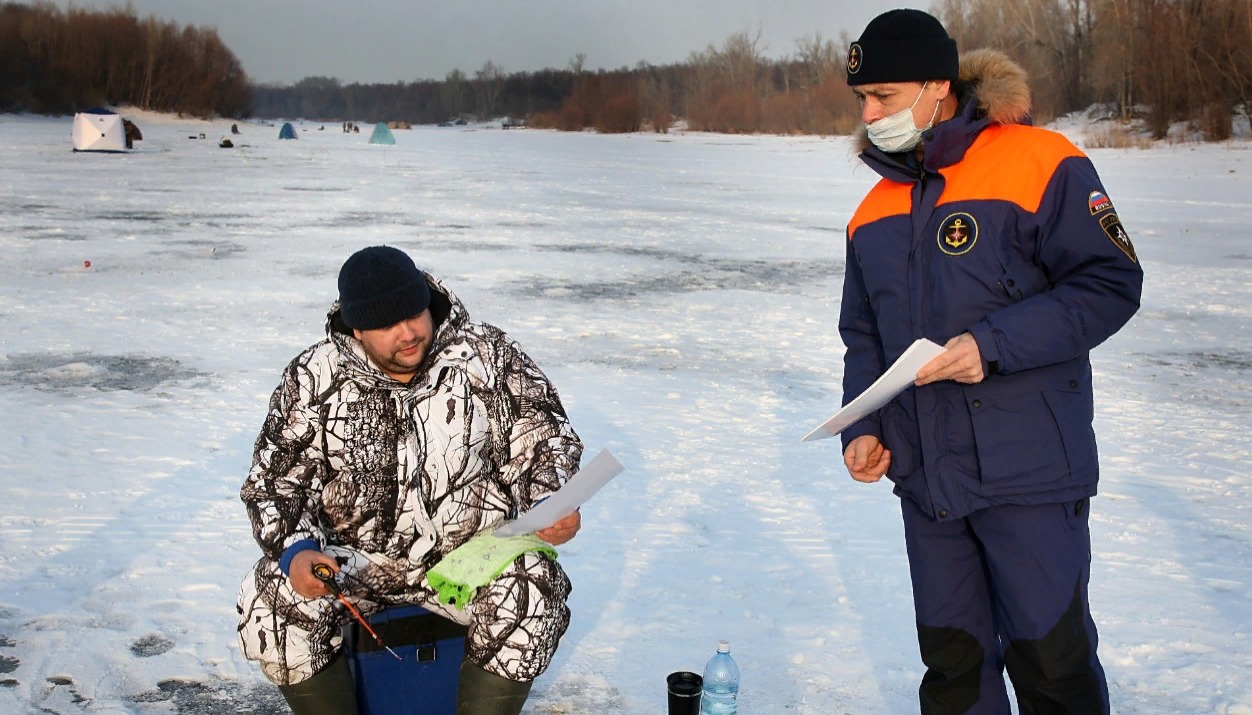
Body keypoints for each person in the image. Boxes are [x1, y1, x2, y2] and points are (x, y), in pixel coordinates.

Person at [837, 9, 1143, 714]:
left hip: (1029, 474)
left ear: (937, 84)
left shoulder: (1041, 160)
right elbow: (865, 340)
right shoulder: (872, 210)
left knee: (1052, 667)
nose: (869, 112)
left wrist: (993, 345)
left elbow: (1110, 283)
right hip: (928, 484)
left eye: (883, 95)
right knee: (953, 671)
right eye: (862, 99)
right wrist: (863, 426)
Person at [236, 245, 584, 715]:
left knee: (533, 583)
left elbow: (542, 440)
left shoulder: (486, 357)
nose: (408, 334)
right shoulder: (313, 379)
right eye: (387, 324)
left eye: (414, 314)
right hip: (352, 565)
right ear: (356, 328)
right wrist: (297, 552)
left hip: (465, 561)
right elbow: (274, 483)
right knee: (269, 598)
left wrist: (551, 500)